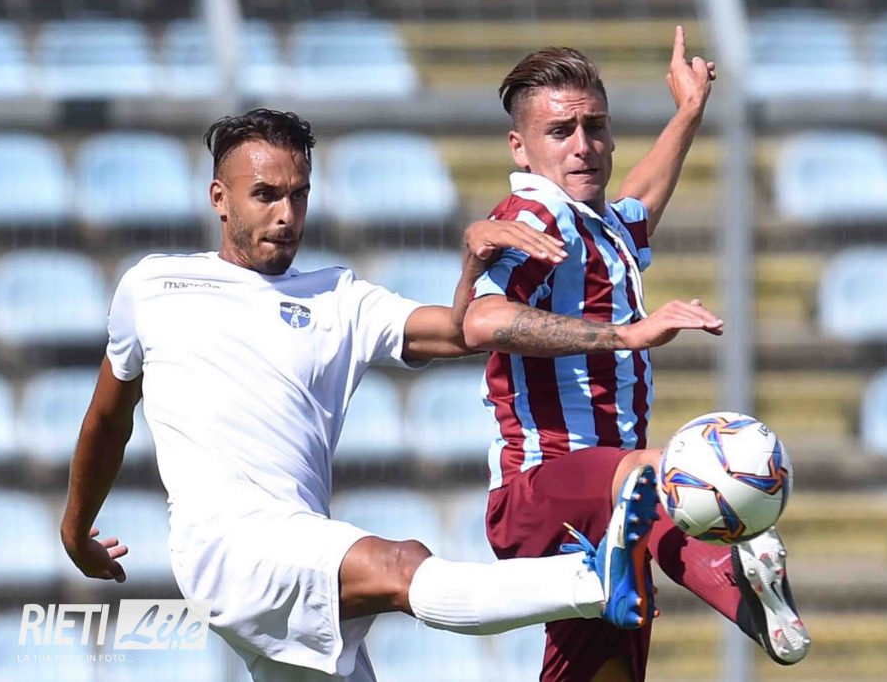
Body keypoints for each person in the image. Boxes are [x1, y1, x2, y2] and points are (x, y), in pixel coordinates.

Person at [59, 108, 664, 682]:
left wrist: (470, 269)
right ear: (220, 198)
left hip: (300, 541)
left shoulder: (339, 299)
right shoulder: (153, 286)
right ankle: (593, 582)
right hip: (226, 548)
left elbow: (462, 332)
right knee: (403, 564)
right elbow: (108, 421)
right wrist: (75, 531)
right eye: (265, 195)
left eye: (299, 195)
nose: (286, 215)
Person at [462, 29, 810, 681]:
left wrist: (688, 112)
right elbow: (481, 322)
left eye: (594, 126)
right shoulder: (536, 215)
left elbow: (641, 200)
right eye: (560, 131)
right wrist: (627, 334)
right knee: (663, 471)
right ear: (520, 148)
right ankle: (736, 575)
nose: (583, 144)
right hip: (542, 494)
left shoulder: (603, 226)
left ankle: (744, 584)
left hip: (614, 526)